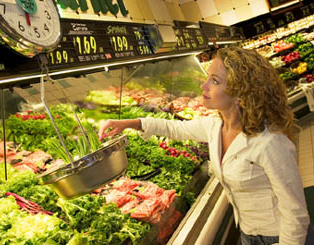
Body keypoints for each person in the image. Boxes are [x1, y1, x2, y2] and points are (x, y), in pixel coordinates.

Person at [98, 47, 310, 245]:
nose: (204, 86)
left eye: (215, 81)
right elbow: (175, 129)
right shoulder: (217, 126)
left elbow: (295, 212)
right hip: (246, 231)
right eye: (208, 77)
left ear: (240, 93)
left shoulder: (270, 142)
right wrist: (129, 123)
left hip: (277, 236)